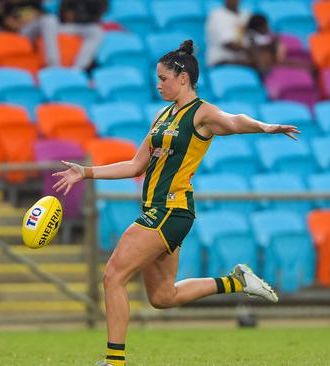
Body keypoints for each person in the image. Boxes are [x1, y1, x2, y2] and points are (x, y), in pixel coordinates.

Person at [52, 40, 300, 366]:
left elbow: (234, 120)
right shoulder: (163, 114)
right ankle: (236, 281)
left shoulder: (202, 113)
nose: (158, 84)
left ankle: (114, 362)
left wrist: (264, 127)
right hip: (159, 210)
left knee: (113, 275)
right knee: (162, 297)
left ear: (183, 78)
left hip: (171, 209)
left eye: (164, 78)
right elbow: (135, 165)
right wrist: (85, 172)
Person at [205, 0, 251, 67]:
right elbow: (229, 44)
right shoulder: (217, 15)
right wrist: (255, 52)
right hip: (220, 62)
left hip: (243, 61)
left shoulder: (246, 15)